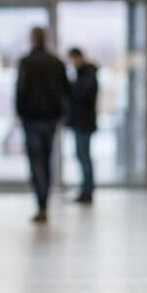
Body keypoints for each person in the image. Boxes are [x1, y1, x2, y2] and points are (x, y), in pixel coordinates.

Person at [16, 27, 70, 224]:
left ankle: (41, 203)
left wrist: (20, 113)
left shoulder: (26, 63)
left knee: (36, 161)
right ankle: (44, 200)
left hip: (32, 119)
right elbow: (66, 90)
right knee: (46, 160)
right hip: (50, 119)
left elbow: (20, 91)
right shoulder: (56, 63)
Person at [65, 47, 99, 205]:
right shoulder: (82, 74)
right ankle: (86, 189)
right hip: (80, 121)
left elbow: (83, 95)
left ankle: (88, 190)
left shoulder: (88, 75)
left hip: (84, 122)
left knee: (84, 156)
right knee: (81, 155)